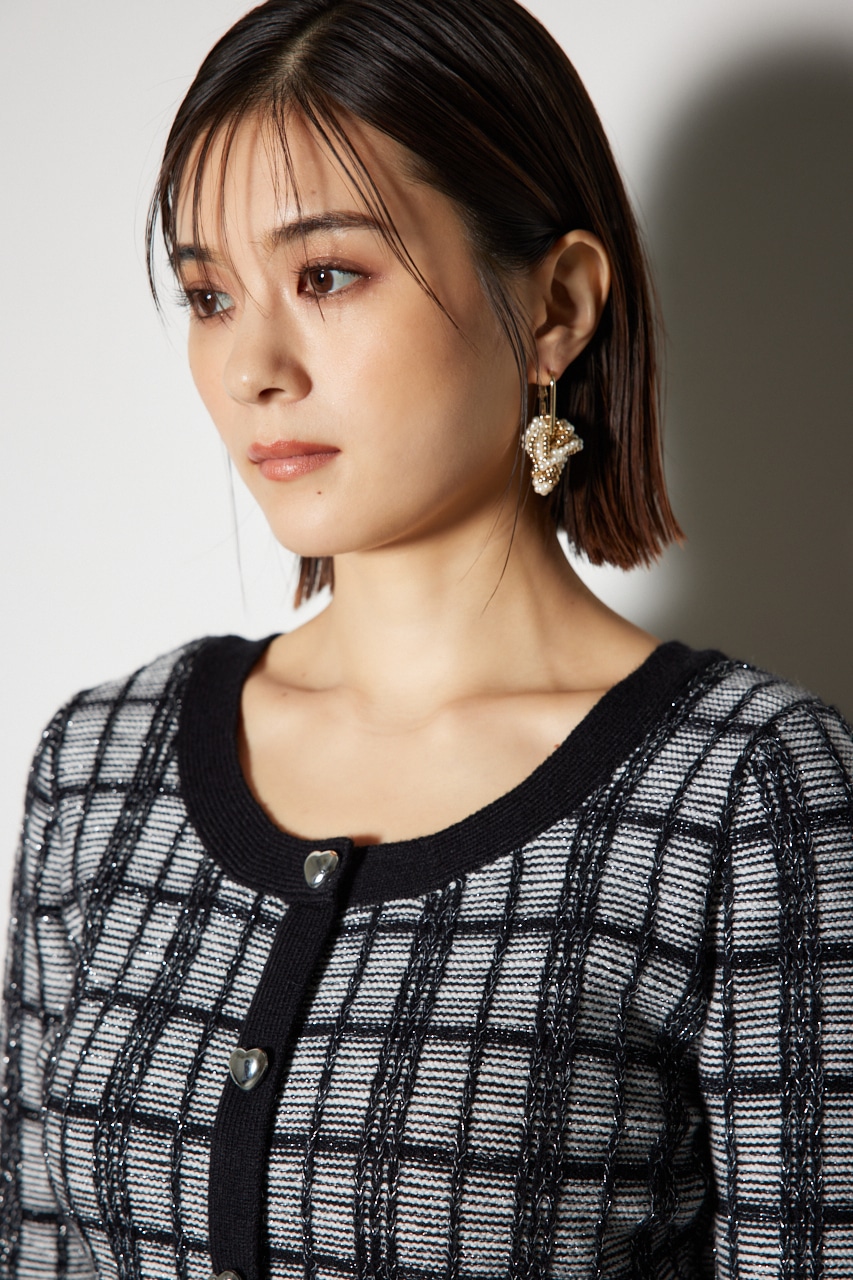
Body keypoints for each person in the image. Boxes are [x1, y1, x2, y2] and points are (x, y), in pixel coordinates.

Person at [1, 0, 852, 1277]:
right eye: (210, 295)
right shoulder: (101, 764)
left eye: (327, 275)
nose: (253, 366)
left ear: (556, 305)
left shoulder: (745, 793)